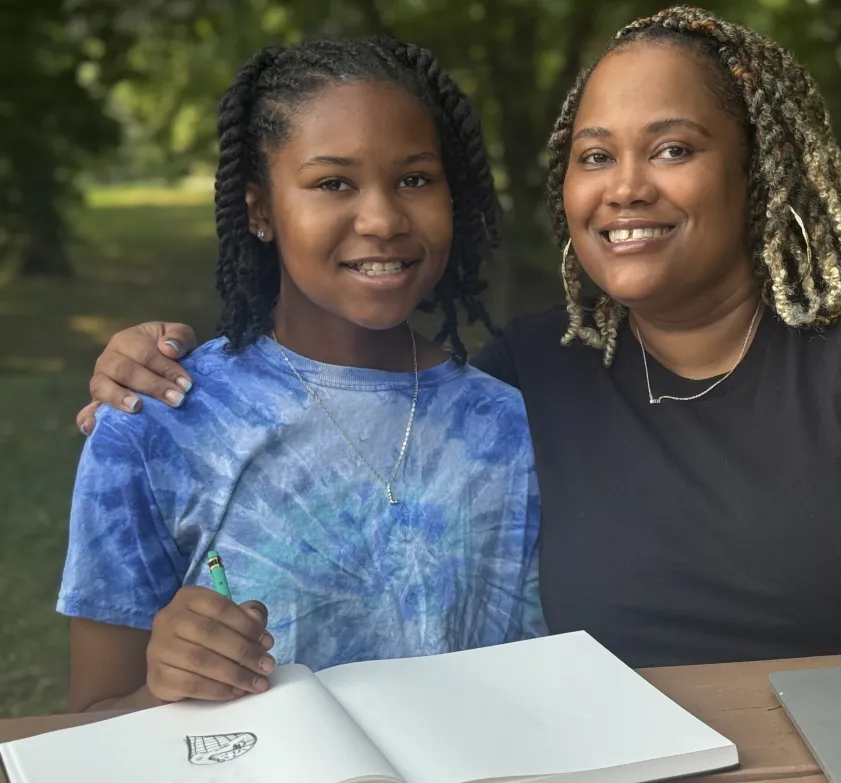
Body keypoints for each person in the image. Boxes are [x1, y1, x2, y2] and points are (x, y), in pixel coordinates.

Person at [75, 6, 841, 670]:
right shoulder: (530, 378)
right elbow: (350, 388)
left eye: (673, 149)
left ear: (755, 171)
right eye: (597, 156)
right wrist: (147, 369)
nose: (626, 186)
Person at [60, 36, 543, 714]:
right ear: (260, 210)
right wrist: (160, 687)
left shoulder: (508, 427)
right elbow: (88, 719)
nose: (381, 218)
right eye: (332, 183)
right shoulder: (154, 423)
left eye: (414, 179)